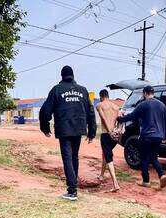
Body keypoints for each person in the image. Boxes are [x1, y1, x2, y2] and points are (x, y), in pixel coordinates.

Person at [39, 65, 96, 201]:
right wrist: (92, 132)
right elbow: (90, 111)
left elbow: (45, 110)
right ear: (73, 76)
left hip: (64, 129)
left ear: (62, 76)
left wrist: (45, 128)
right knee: (74, 157)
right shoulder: (82, 91)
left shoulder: (57, 90)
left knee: (67, 158)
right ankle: (73, 187)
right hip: (78, 128)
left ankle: (72, 191)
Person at [117, 85, 166, 189]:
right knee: (154, 157)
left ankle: (146, 181)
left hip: (147, 136)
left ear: (145, 93)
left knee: (144, 158)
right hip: (158, 136)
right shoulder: (162, 105)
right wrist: (165, 135)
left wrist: (120, 119)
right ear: (153, 93)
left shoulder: (143, 104)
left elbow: (132, 116)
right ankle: (162, 174)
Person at [96, 89, 120, 192]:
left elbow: (104, 118)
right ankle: (101, 175)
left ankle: (115, 183)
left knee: (108, 157)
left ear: (101, 96)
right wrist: (117, 131)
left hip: (106, 134)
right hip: (115, 136)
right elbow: (120, 120)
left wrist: (109, 131)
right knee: (105, 154)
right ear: (108, 96)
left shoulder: (99, 105)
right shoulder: (116, 107)